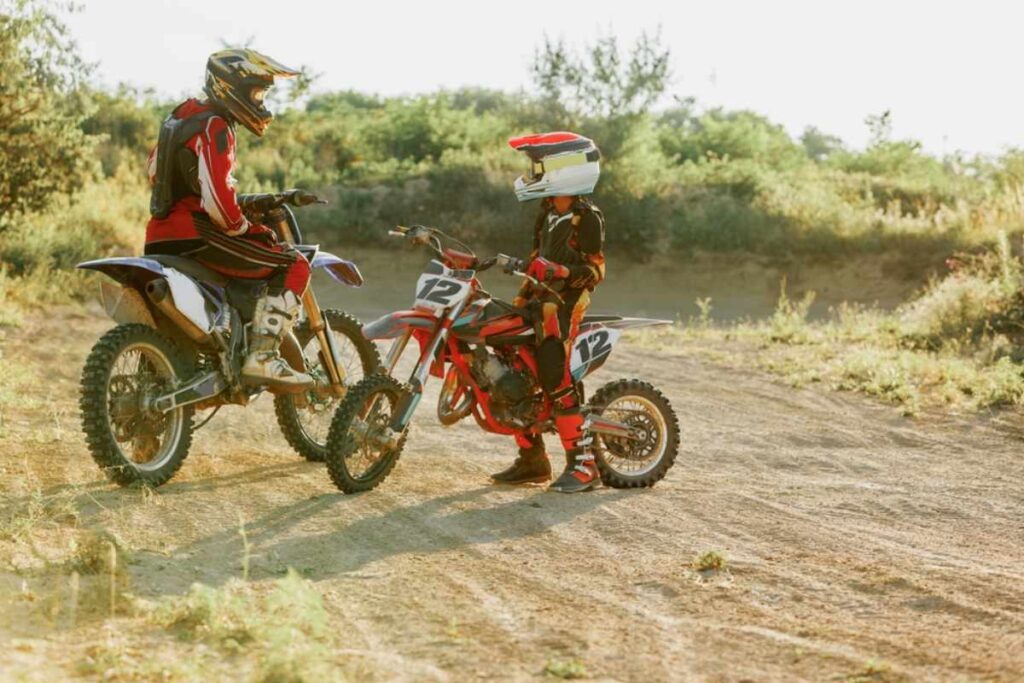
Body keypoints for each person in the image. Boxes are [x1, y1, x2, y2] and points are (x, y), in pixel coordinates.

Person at [143, 48, 312, 389]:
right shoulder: (217, 125)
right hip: (197, 233)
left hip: (159, 235)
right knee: (294, 263)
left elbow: (153, 172)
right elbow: (221, 207)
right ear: (230, 86)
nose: (260, 101)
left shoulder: (180, 116)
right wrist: (246, 226)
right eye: (256, 92)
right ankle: (262, 357)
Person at [491, 132, 606, 493]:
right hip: (535, 299)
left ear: (567, 171)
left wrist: (561, 273)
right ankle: (533, 460)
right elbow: (538, 257)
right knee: (511, 363)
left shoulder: (587, 218)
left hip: (565, 304)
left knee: (554, 373)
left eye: (540, 168)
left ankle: (585, 465)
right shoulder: (547, 211)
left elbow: (595, 270)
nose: (534, 174)